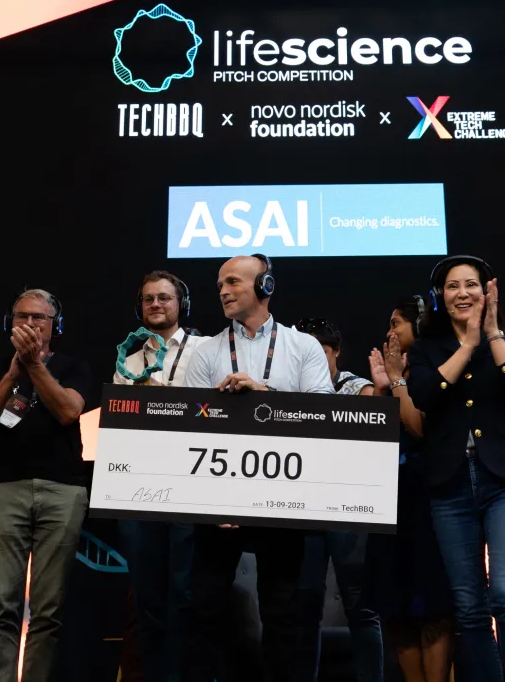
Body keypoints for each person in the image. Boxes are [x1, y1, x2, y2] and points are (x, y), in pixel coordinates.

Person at [182, 254, 333, 682]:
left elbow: (322, 414)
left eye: (232, 282)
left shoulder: (301, 346)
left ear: (264, 286)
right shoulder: (208, 351)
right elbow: (190, 430)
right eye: (219, 285)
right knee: (204, 611)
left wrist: (265, 391)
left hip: (282, 497)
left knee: (283, 614)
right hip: (218, 506)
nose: (223, 291)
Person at [405, 255, 505, 682]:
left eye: (471, 285)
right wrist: (465, 345)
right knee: (468, 605)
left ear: (487, 292)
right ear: (439, 297)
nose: (462, 293)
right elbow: (425, 395)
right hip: (450, 486)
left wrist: (492, 332)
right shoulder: (427, 348)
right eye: (452, 286)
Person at [0, 289, 92, 682]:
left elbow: (69, 411)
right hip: (5, 487)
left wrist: (36, 366)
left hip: (62, 490)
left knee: (48, 610)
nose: (31, 324)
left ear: (56, 326)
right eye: (23, 317)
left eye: (40, 318)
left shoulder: (74, 366)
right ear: (10, 324)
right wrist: (11, 375)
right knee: (0, 605)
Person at [114, 270, 206, 682]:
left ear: (180, 304)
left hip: (191, 483)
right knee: (146, 598)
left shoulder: (204, 349)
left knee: (184, 596)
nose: (156, 305)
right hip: (140, 485)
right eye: (149, 299)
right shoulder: (129, 355)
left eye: (164, 298)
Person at [364, 298, 454, 682]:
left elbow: (418, 428)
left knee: (431, 607)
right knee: (395, 609)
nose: (390, 332)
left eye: (397, 323)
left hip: (429, 503)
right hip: (389, 506)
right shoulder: (392, 377)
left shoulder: (437, 370)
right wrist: (384, 388)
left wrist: (398, 378)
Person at [294, 317, 382, 682]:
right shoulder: (288, 389)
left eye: (322, 351)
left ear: (337, 351)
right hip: (302, 508)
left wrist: (382, 388)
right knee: (304, 608)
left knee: (361, 607)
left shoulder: (357, 388)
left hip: (348, 508)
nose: (313, 359)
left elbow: (379, 412)